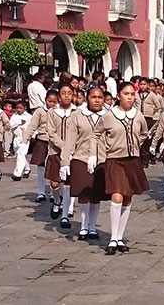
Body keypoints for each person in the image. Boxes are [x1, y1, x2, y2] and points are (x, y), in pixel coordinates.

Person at [90, 82, 149, 255]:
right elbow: (95, 134)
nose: (130, 97)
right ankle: (113, 238)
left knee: (127, 197)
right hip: (114, 160)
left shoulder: (138, 115)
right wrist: (93, 154)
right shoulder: (109, 115)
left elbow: (144, 133)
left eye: (132, 94)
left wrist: (135, 145)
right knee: (116, 195)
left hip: (133, 161)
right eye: (126, 94)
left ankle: (120, 237)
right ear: (118, 96)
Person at [60, 87, 108, 241]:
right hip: (81, 158)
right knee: (83, 193)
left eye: (100, 97)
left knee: (96, 195)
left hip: (102, 159)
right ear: (87, 98)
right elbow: (70, 140)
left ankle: (93, 226)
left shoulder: (108, 115)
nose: (97, 100)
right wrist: (65, 161)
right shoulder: (77, 116)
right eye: (93, 97)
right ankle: (83, 226)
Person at [45, 84, 76, 228]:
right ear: (59, 96)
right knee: (55, 183)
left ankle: (65, 215)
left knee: (68, 184)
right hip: (55, 152)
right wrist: (64, 146)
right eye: (64, 93)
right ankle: (57, 201)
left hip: (72, 153)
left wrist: (71, 148)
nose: (66, 96)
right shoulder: (52, 112)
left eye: (69, 93)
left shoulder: (77, 112)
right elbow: (51, 133)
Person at [20, 90, 58, 202]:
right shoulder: (40, 111)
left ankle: (53, 192)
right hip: (42, 141)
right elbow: (32, 126)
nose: (51, 104)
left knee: (54, 169)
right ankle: (41, 192)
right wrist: (24, 140)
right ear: (45, 100)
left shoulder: (59, 112)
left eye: (54, 102)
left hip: (54, 144)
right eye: (49, 101)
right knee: (41, 168)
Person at [10, 101, 32, 181]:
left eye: (20, 108)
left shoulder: (29, 116)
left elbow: (32, 126)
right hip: (16, 137)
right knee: (19, 155)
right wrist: (18, 123)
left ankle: (17, 173)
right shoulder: (14, 116)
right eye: (17, 108)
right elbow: (10, 125)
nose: (19, 110)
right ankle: (27, 169)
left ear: (25, 108)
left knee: (21, 154)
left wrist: (32, 135)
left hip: (25, 138)